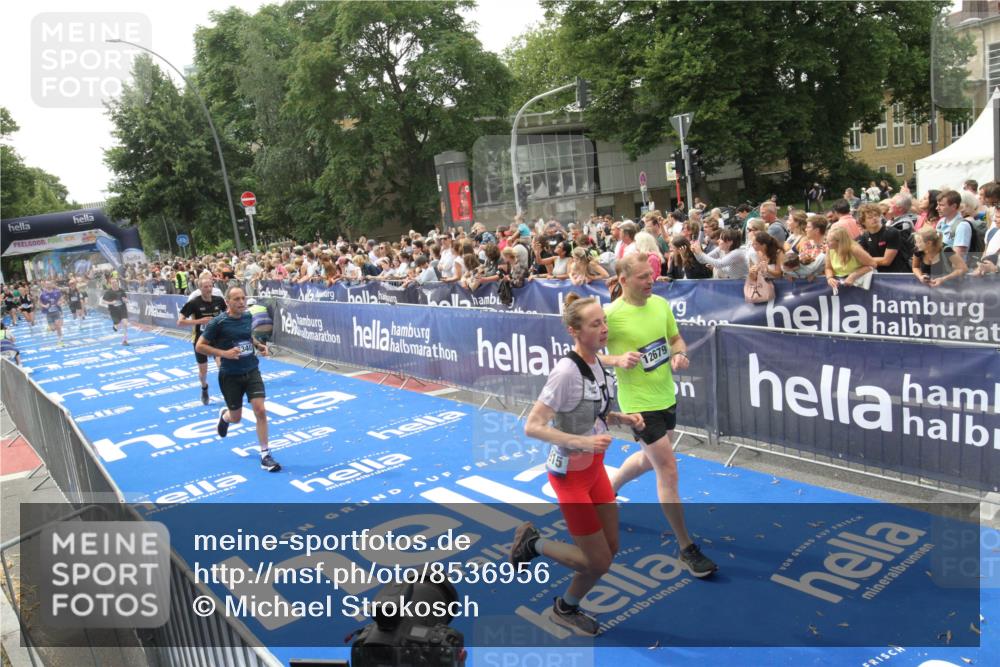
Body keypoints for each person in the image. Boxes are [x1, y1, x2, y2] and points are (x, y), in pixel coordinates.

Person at [510, 293, 645, 636]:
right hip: (570, 477)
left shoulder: (598, 361)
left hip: (595, 469)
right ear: (574, 330)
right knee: (598, 561)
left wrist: (621, 418)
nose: (604, 328)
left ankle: (566, 607)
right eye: (595, 323)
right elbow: (533, 425)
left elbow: (590, 414)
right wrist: (582, 442)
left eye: (604, 321)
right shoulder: (566, 372)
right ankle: (533, 545)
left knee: (610, 550)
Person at [600, 253, 718, 578]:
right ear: (623, 280)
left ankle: (608, 490)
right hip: (637, 404)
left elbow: (675, 338)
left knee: (649, 458)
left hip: (666, 397)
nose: (650, 280)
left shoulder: (661, 305)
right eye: (642, 276)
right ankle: (686, 548)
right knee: (667, 469)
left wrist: (679, 354)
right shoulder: (610, 314)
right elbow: (586, 353)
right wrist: (617, 359)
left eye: (651, 274)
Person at [196, 286, 281, 472]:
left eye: (243, 298)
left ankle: (265, 455)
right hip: (230, 376)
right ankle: (225, 417)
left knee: (260, 410)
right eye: (237, 299)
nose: (242, 302)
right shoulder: (217, 323)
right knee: (236, 418)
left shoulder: (248, 316)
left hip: (251, 370)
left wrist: (258, 346)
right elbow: (199, 346)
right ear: (228, 302)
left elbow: (247, 337)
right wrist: (223, 353)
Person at [178, 276, 228, 405]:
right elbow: (180, 322)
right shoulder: (194, 303)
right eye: (205, 287)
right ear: (200, 288)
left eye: (210, 286)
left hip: (217, 338)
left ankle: (228, 391)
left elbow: (228, 314)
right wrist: (200, 321)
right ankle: (204, 387)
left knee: (222, 366)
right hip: (201, 340)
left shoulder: (219, 300)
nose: (208, 289)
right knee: (203, 371)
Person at [856, 203, 909, 273]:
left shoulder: (892, 232)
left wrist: (865, 260)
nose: (874, 218)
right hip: (876, 274)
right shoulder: (863, 237)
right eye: (870, 217)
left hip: (897, 274)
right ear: (863, 222)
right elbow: (857, 259)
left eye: (876, 215)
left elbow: (886, 261)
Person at [824, 226, 877, 292]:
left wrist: (853, 276)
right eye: (826, 240)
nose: (826, 242)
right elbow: (828, 268)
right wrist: (829, 278)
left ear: (839, 241)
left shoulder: (854, 249)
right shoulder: (829, 249)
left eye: (829, 241)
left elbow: (873, 264)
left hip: (860, 284)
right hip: (842, 285)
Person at [101, 277, 130, 345]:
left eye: (115, 282)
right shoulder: (108, 292)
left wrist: (125, 300)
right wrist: (111, 303)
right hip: (114, 311)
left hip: (122, 309)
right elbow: (103, 301)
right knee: (117, 326)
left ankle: (125, 340)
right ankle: (115, 326)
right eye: (112, 283)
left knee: (125, 324)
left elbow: (126, 299)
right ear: (110, 284)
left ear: (117, 282)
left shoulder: (121, 290)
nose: (114, 284)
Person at [38, 280, 64, 346]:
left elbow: (61, 298)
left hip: (56, 311)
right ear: (45, 285)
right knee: (53, 329)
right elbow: (39, 302)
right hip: (48, 314)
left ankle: (60, 341)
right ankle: (49, 327)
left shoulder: (57, 292)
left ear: (52, 284)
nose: (48, 285)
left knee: (58, 326)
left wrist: (60, 302)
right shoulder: (42, 294)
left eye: (49, 284)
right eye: (47, 284)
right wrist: (44, 306)